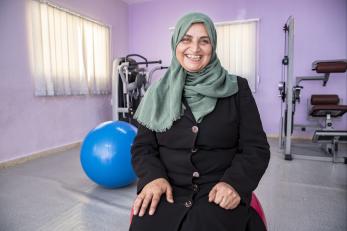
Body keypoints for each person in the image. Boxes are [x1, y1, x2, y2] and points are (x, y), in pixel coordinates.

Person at [129, 12, 270, 231]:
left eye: (204, 41)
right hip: (167, 188)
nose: (194, 49)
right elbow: (143, 148)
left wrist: (233, 183)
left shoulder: (237, 88)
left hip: (218, 190)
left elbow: (256, 148)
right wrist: (153, 178)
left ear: (212, 47)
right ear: (175, 43)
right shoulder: (156, 92)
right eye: (186, 39)